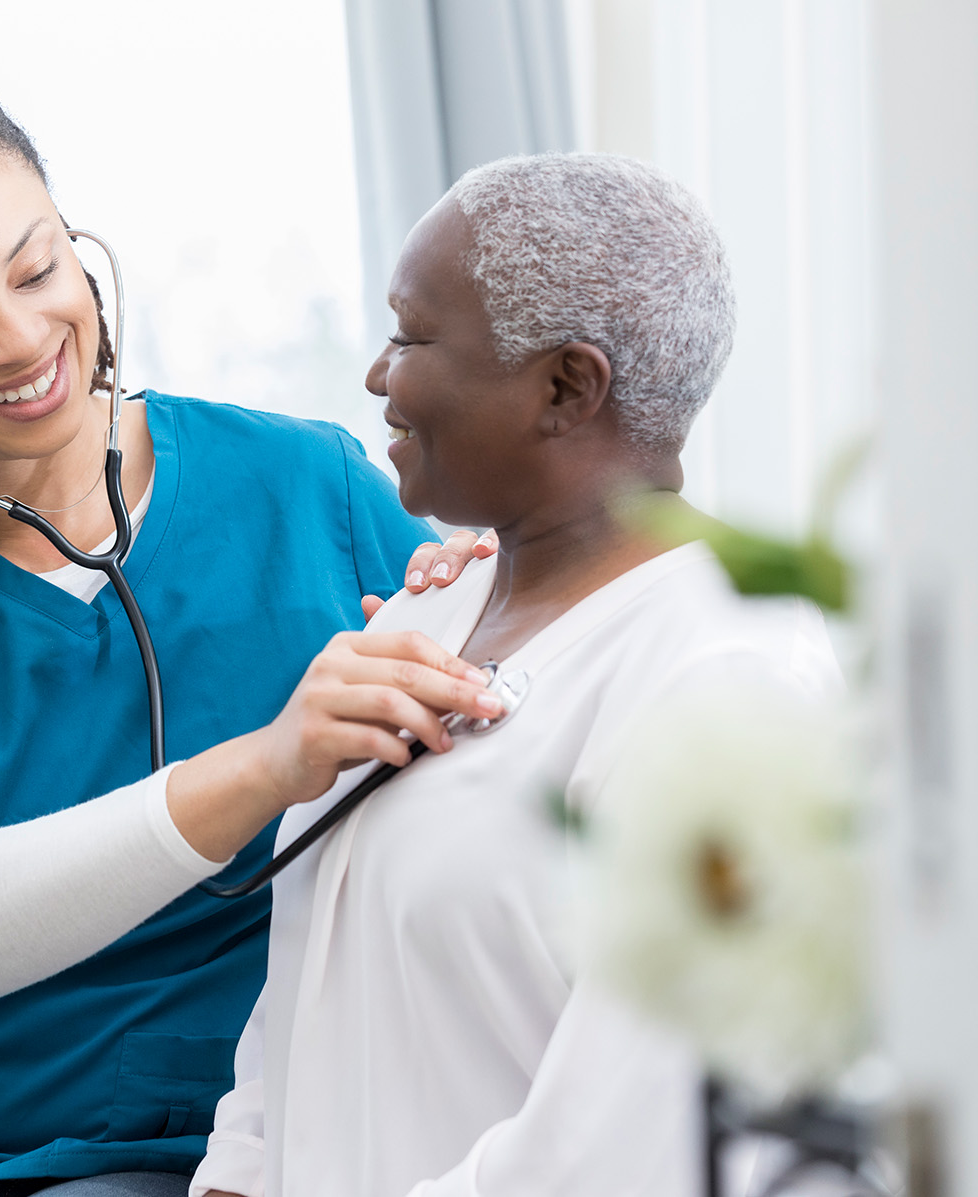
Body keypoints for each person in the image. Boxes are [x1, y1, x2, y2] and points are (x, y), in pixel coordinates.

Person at [0, 43, 500, 1197]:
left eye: (38, 270)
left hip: (209, 1136)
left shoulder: (310, 488)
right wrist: (268, 763)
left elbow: (507, 765)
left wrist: (492, 612)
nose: (22, 340)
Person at [189, 154, 841, 1197]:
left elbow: (621, 1147)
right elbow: (310, 987)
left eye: (408, 336)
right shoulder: (428, 605)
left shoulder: (727, 673)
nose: (375, 377)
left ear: (563, 387)